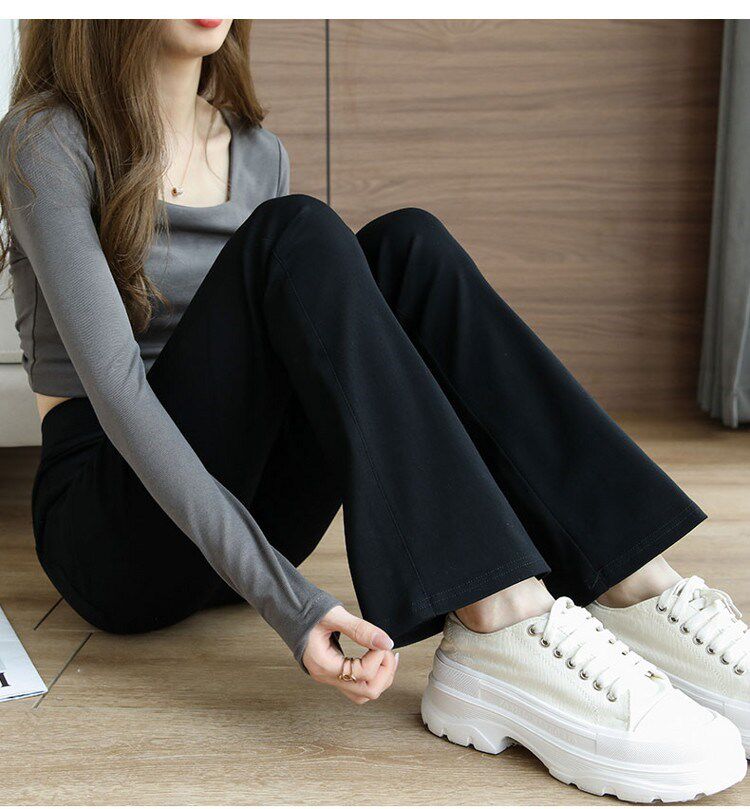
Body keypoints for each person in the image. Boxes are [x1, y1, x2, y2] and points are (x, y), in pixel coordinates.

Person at [1, 19, 747, 804]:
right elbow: (119, 394)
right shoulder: (45, 138)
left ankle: (633, 585)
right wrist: (292, 604)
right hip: (115, 533)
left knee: (405, 246)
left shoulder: (256, 151)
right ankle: (500, 615)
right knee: (297, 232)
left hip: (245, 520)